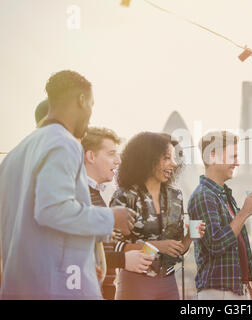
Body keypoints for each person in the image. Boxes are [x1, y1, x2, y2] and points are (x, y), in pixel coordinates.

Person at [0, 70, 135, 299]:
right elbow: (53, 210)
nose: (90, 115)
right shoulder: (64, 143)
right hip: (57, 289)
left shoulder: (14, 155)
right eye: (91, 105)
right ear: (82, 100)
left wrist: (82, 262)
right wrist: (112, 217)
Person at [110, 132, 203, 300]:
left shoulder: (176, 195)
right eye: (166, 158)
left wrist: (190, 237)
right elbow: (114, 248)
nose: (173, 164)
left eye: (174, 158)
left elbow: (176, 249)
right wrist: (157, 246)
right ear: (147, 159)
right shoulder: (125, 196)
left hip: (168, 282)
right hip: (136, 281)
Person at [188, 131, 252, 300]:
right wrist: (244, 213)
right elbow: (215, 244)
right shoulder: (204, 196)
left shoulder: (223, 195)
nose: (237, 162)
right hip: (218, 293)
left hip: (233, 291)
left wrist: (246, 287)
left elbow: (236, 244)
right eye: (233, 156)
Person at [81, 126, 154, 300]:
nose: (118, 160)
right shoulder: (80, 195)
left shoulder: (95, 194)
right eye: (111, 153)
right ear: (91, 156)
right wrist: (124, 260)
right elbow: (79, 253)